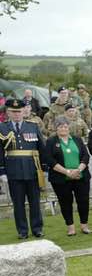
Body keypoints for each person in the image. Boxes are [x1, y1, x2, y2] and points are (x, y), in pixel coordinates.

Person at [0, 99, 45, 239]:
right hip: (13, 171)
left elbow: (41, 148)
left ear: (24, 111)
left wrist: (44, 169)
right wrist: (2, 171)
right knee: (18, 204)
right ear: (8, 112)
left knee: (35, 202)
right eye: (13, 112)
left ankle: (37, 229)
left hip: (32, 170)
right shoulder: (2, 128)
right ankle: (22, 231)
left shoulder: (33, 126)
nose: (17, 114)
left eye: (19, 111)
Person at [45, 116, 92, 236]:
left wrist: (78, 170)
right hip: (61, 178)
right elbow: (49, 160)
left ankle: (84, 226)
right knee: (65, 202)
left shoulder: (77, 139)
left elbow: (85, 156)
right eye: (60, 126)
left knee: (83, 201)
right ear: (56, 128)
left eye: (66, 126)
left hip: (81, 176)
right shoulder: (51, 141)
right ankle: (71, 228)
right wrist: (67, 172)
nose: (63, 129)